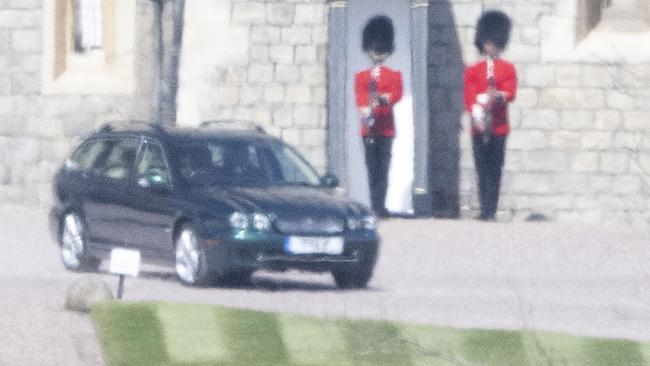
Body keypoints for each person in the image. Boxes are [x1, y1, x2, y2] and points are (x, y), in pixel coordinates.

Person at [464, 10, 517, 221]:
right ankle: (484, 208)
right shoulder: (473, 70)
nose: (490, 46)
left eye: (494, 42)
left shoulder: (507, 68)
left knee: (495, 168)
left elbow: (511, 92)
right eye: (487, 42)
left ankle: (490, 211)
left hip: (498, 125)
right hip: (478, 124)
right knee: (481, 167)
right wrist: (476, 110)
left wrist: (497, 96)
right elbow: (468, 95)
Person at [354, 15, 403, 218]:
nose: (376, 53)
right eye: (373, 49)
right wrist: (366, 108)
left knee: (383, 169)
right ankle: (375, 205)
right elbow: (360, 96)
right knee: (372, 168)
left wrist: (384, 100)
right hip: (368, 127)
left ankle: (379, 206)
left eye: (379, 49)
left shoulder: (393, 74)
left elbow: (397, 93)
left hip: (385, 128)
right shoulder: (361, 76)